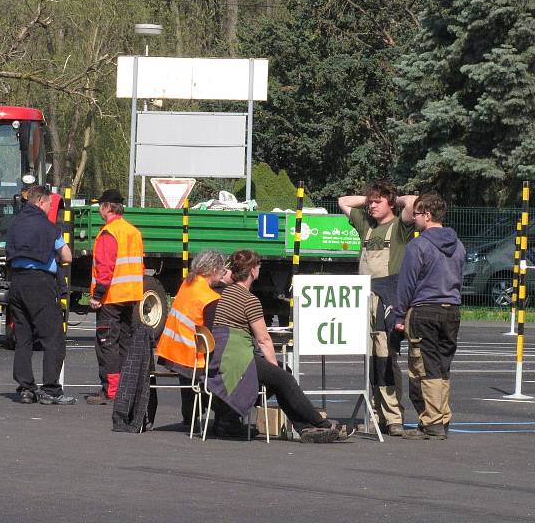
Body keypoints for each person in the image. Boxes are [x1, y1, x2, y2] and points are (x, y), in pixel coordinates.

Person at [207, 249, 340, 442]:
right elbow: (264, 340)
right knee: (285, 379)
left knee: (280, 376)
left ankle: (304, 428)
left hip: (222, 354)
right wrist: (274, 369)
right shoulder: (249, 300)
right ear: (253, 271)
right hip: (237, 357)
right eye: (258, 266)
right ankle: (321, 424)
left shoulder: (226, 293)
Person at [338, 181, 417, 437]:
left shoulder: (400, 227)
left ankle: (394, 417)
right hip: (364, 295)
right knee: (370, 357)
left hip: (388, 296)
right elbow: (343, 201)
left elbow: (414, 202)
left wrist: (392, 198)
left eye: (377, 201)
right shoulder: (366, 225)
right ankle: (376, 412)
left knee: (386, 357)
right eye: (370, 201)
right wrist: (371, 198)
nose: (371, 205)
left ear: (391, 203)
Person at [393, 193, 465, 440]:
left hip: (424, 311)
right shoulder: (459, 244)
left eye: (416, 214)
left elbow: (407, 283)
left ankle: (431, 422)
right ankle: (442, 418)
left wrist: (399, 315)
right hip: (452, 310)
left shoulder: (419, 245)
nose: (414, 219)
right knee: (443, 366)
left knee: (424, 367)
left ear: (427, 215)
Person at [6, 184, 76, 405]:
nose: (49, 208)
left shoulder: (14, 224)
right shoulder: (49, 227)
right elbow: (68, 256)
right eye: (48, 204)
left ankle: (26, 388)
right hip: (40, 284)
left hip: (16, 283)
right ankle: (51, 390)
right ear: (40, 202)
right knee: (53, 338)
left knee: (24, 338)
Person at [154, 250, 228, 427]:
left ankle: (190, 416)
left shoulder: (188, 284)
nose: (224, 273)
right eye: (222, 270)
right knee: (220, 369)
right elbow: (212, 333)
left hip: (171, 349)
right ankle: (225, 418)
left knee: (189, 382)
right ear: (212, 270)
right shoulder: (209, 297)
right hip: (190, 355)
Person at [86, 189, 145, 404]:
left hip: (111, 297)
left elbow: (105, 267)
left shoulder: (109, 232)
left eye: (100, 206)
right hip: (131, 295)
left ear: (108, 207)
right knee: (124, 343)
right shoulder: (133, 232)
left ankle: (111, 390)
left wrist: (97, 295)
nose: (99, 210)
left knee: (106, 343)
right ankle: (127, 386)